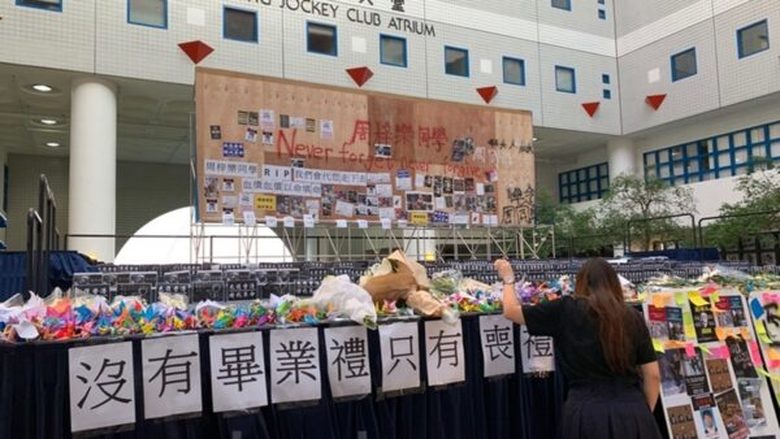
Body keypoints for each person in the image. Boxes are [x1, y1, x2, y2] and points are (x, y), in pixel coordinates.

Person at [496, 257, 662, 439]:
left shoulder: (565, 310)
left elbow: (510, 311)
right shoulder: (632, 317)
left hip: (585, 413)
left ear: (581, 282)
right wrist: (643, 414)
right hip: (633, 412)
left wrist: (508, 279)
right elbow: (653, 375)